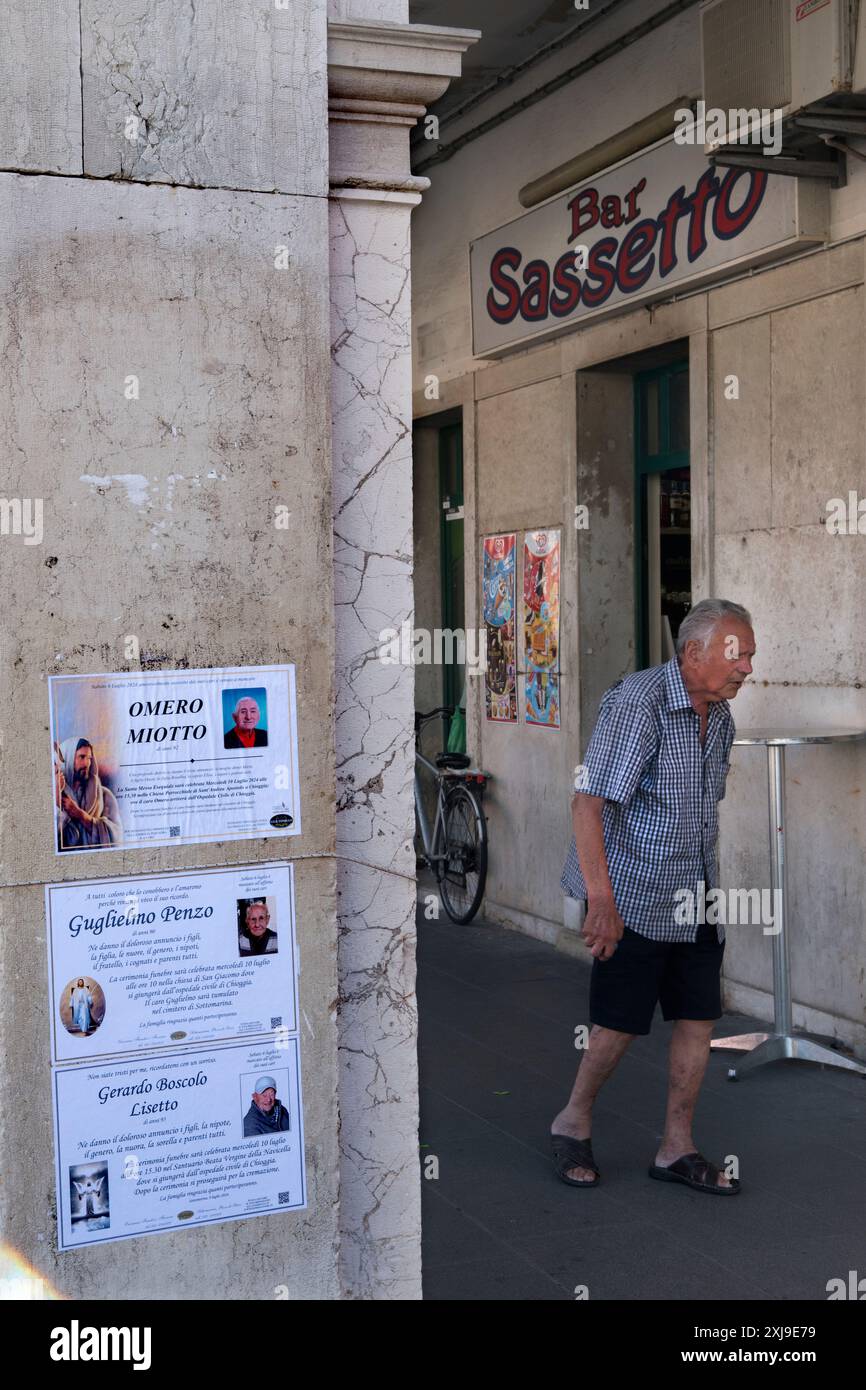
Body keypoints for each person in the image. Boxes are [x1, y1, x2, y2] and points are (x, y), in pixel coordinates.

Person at [553, 598, 756, 1196]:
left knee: (698, 1018)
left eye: (749, 655)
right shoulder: (637, 703)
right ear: (693, 653)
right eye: (735, 653)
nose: (746, 666)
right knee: (619, 1024)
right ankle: (573, 1120)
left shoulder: (719, 718)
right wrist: (600, 900)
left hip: (695, 891)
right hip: (632, 892)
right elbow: (587, 804)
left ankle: (676, 1148)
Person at [55, 738, 123, 851]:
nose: (87, 763)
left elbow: (117, 837)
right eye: (82, 757)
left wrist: (82, 816)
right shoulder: (53, 796)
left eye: (89, 758)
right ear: (67, 759)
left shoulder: (105, 795)